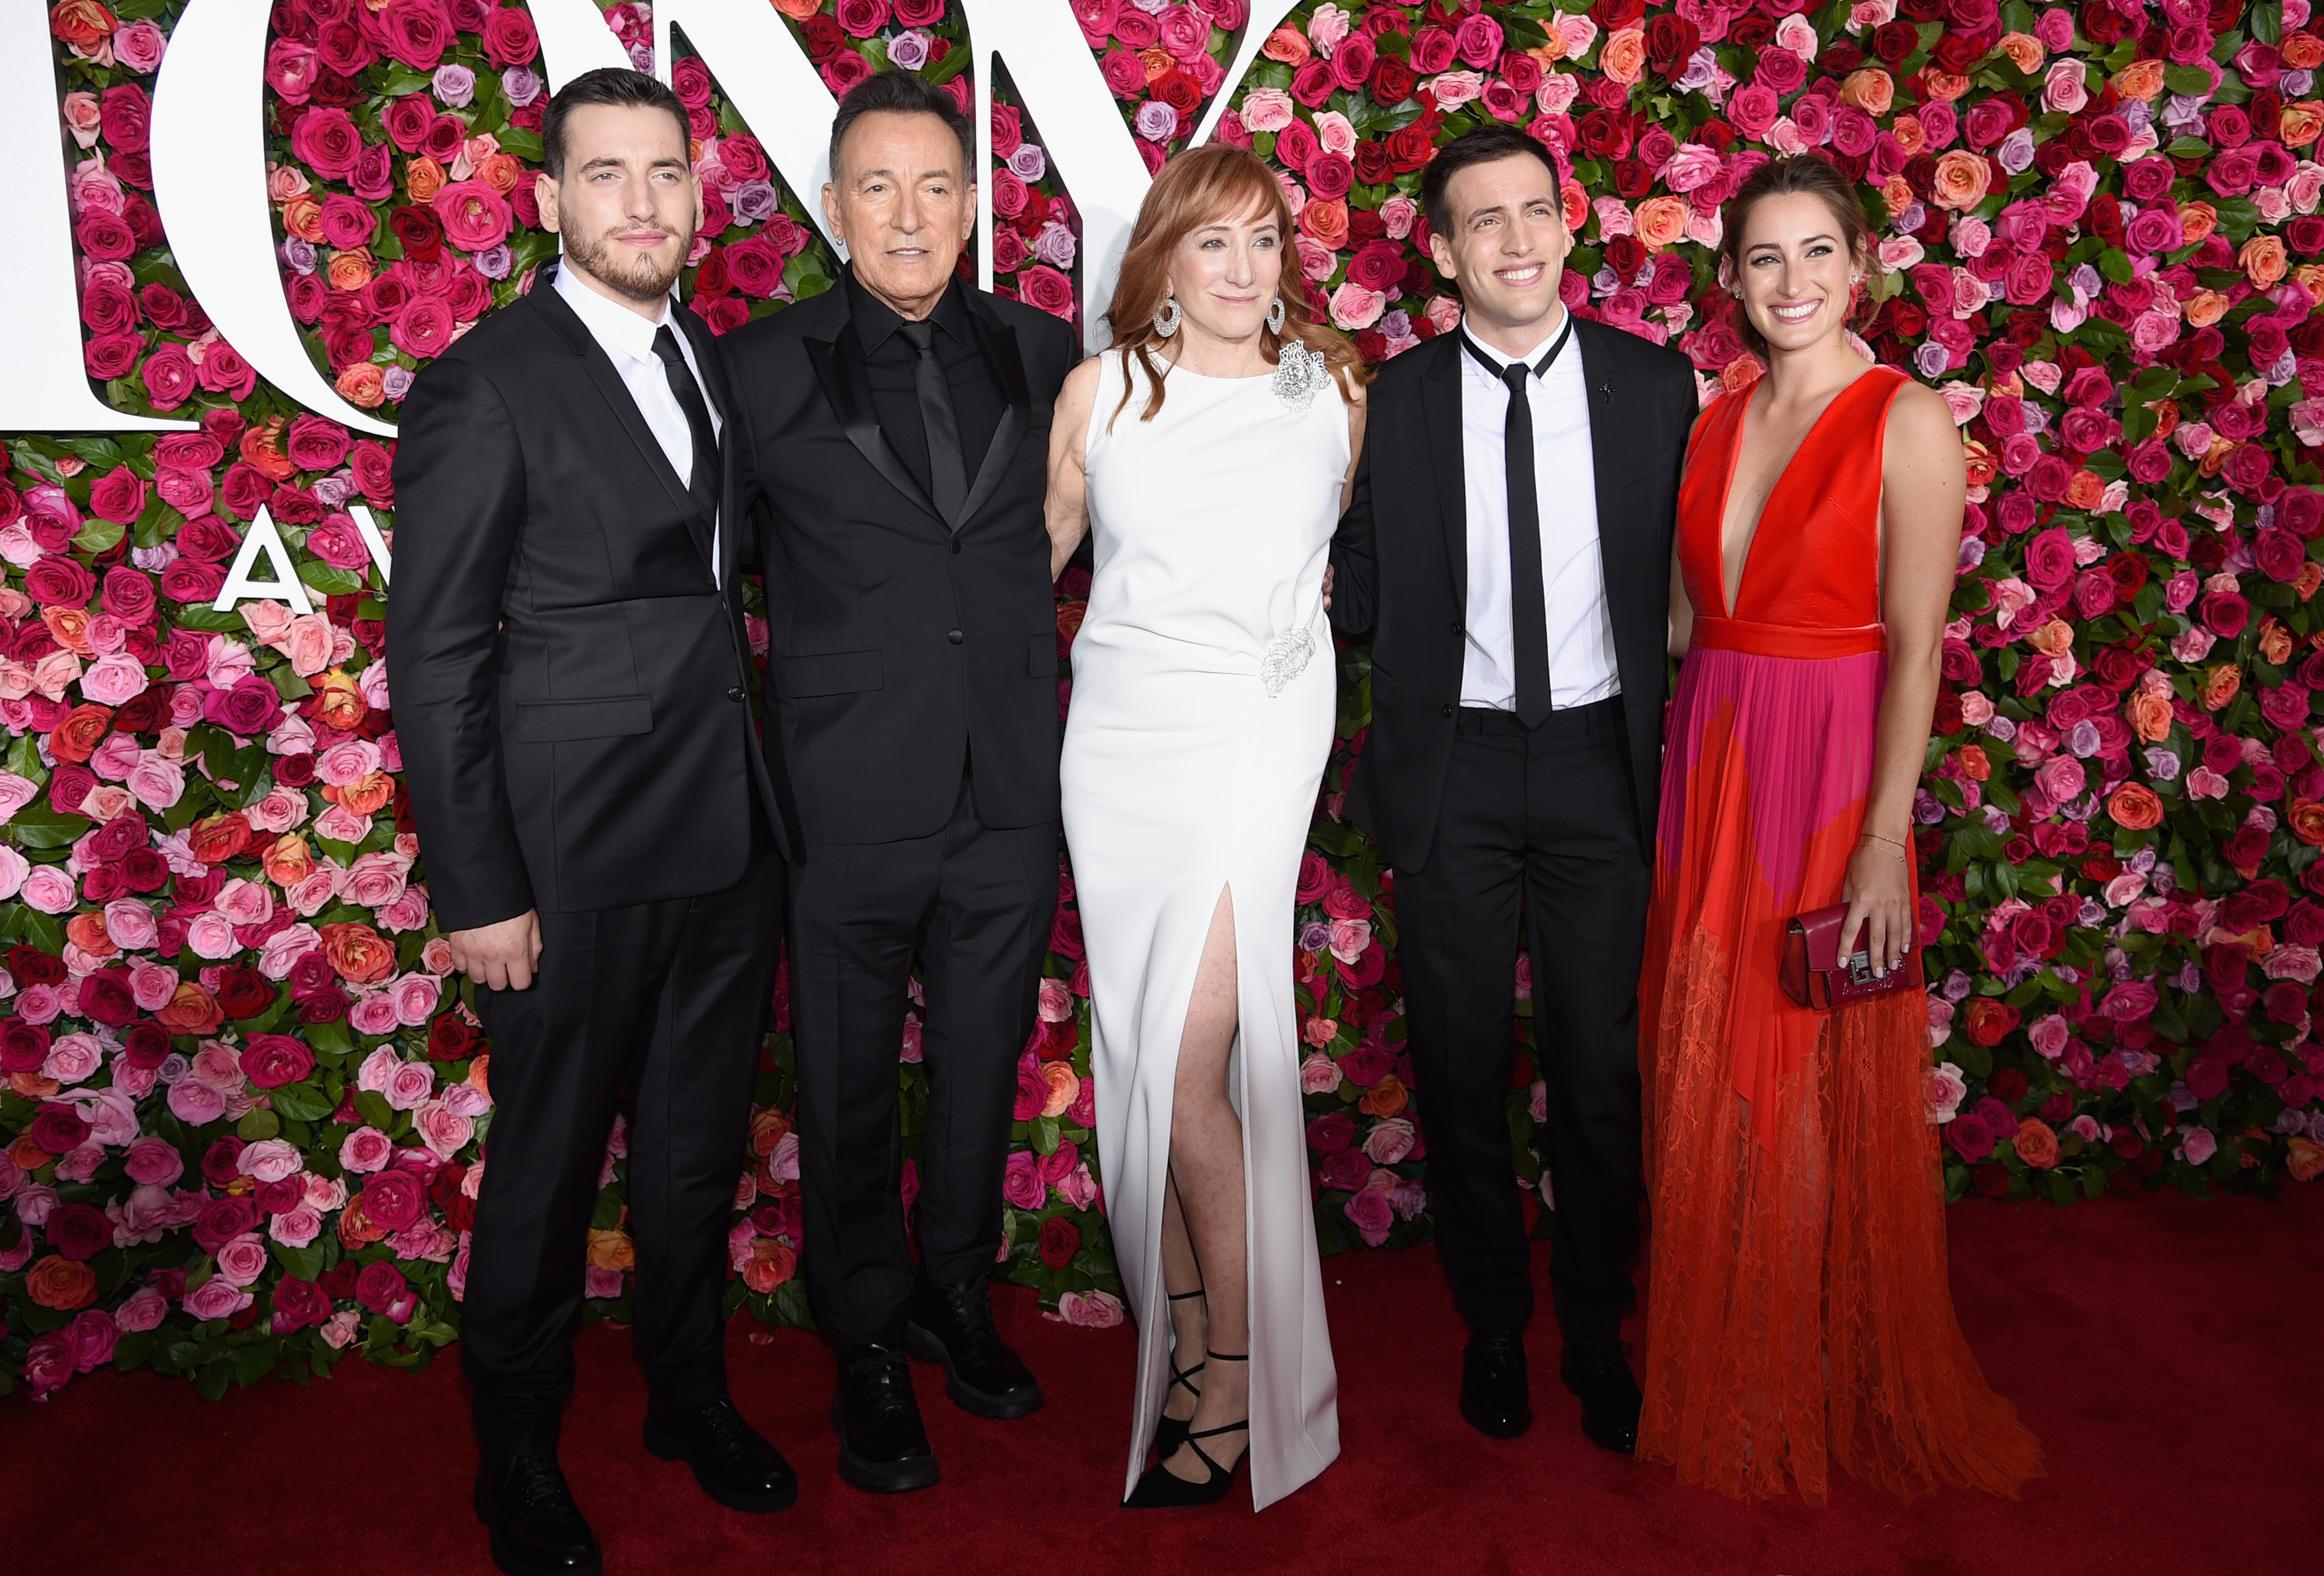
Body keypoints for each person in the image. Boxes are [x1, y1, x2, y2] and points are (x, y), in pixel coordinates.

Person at [390, 67, 801, 1576]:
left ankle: (688, 1395)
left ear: (697, 198)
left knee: (696, 1155)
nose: (645, 201)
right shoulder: (487, 382)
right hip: (566, 864)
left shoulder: (707, 353)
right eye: (608, 173)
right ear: (551, 201)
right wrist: (478, 884)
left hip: (723, 838)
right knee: (552, 1169)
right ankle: (516, 1457)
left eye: (668, 174)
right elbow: (434, 655)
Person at [1638, 153, 2043, 1504]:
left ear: (1860, 265)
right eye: (1765, 259)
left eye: (1818, 254)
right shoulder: (1714, 419)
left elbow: (1920, 647)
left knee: (1801, 1063)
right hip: (1715, 753)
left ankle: (1808, 1365)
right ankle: (1734, 1352)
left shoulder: (1908, 418)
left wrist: (1883, 838)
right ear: (1735, 285)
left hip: (1829, 776)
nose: (1793, 281)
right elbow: (1689, 625)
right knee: (1707, 1044)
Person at [721, 70, 1078, 1495]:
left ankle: (952, 1297)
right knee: (853, 1085)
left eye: (937, 185)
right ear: (834, 207)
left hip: (1008, 784)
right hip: (845, 797)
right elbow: (702, 586)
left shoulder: (1048, 354)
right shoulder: (755, 369)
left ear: (976, 203)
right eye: (879, 186)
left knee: (985, 1067)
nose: (911, 213)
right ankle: (865, 1336)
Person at [1327, 124, 1697, 1456]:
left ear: (1568, 221)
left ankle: (1597, 1325)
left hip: (1606, 768)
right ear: (1442, 253)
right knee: (1461, 1065)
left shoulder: (1658, 389)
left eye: (1535, 211)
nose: (1518, 239)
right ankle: (1492, 1321)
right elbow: (1350, 593)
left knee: (1602, 1073)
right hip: (1456, 776)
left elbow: (1701, 586)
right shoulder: (1395, 400)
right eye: (1484, 221)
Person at [1047, 144, 1367, 1511]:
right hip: (1117, 749)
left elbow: (1326, 568)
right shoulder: (1100, 393)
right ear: (1166, 261)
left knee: (1187, 1067)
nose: (1245, 271)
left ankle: (1235, 1370)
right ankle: (1189, 1341)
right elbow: (1029, 567)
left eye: (1265, 242)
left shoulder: (1333, 393)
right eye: (1214, 244)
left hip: (1251, 743)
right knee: (1140, 1063)